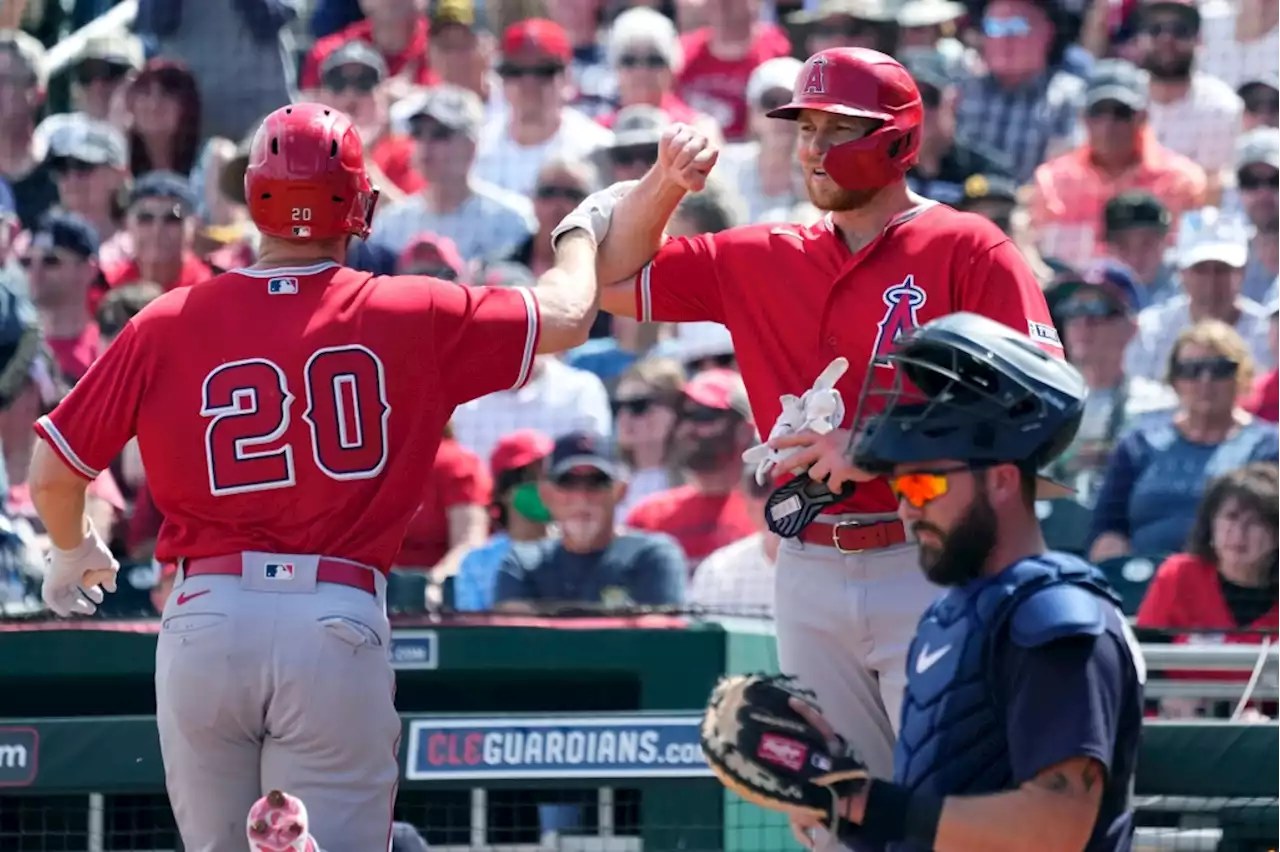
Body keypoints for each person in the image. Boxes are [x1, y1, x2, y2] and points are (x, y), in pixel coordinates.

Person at [27, 102, 603, 852]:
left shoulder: (167, 319)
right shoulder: (408, 306)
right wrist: (581, 231)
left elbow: (53, 472)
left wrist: (72, 549)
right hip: (334, 616)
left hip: (204, 616)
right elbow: (567, 314)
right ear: (361, 207)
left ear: (253, 203)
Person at [564, 46, 1063, 779]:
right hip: (806, 565)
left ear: (900, 141)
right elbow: (604, 279)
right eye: (806, 130)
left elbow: (1042, 402)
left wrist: (879, 446)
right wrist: (664, 186)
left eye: (840, 130)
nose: (816, 150)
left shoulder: (969, 246)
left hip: (931, 557)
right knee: (835, 811)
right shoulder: (762, 254)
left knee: (953, 795)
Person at [787, 312, 1144, 852]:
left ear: (1001, 481)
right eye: (899, 488)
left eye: (924, 484)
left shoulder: (1056, 615)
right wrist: (842, 799)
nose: (905, 508)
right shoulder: (945, 619)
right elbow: (933, 819)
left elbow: (1058, 825)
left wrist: (872, 804)